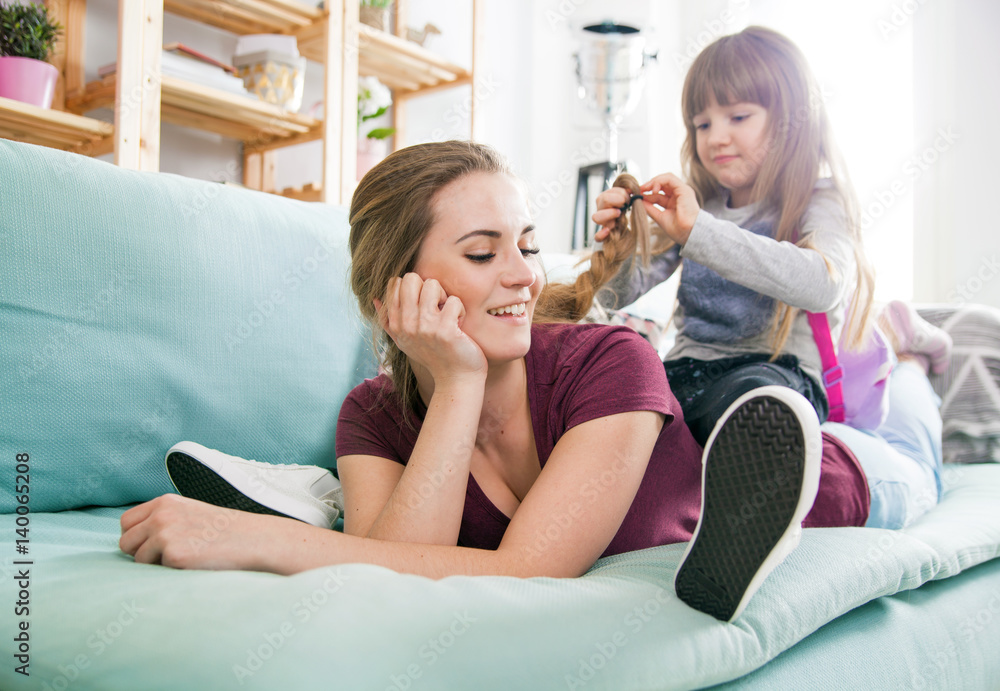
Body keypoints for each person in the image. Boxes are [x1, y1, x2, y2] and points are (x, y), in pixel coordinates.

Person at [120, 140, 836, 623]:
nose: (526, 273)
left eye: (524, 244)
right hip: (426, 389)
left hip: (835, 477)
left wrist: (255, 540)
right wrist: (457, 382)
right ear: (393, 292)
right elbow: (387, 571)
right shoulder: (370, 415)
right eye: (483, 252)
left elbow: (530, 570)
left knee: (910, 452)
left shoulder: (612, 359)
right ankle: (320, 496)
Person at [589, 25, 947, 529]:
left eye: (738, 116)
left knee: (753, 401)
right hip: (690, 374)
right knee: (637, 395)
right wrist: (618, 247)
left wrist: (700, 232)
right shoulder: (698, 206)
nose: (716, 137)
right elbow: (611, 297)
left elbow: (823, 284)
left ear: (791, 121)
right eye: (702, 123)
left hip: (774, 375)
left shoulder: (817, 200)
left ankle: (752, 512)